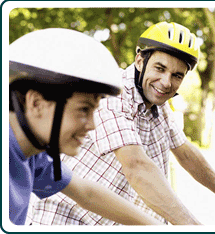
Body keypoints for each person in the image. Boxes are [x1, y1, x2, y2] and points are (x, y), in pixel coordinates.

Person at [27, 22, 215, 226]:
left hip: (110, 219)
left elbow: (186, 153)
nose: (166, 82)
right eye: (160, 68)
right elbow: (136, 167)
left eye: (177, 75)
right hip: (66, 220)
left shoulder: (158, 104)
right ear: (140, 60)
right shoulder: (112, 95)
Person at [9, 27, 164, 226]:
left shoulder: (32, 154)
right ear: (36, 103)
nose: (92, 125)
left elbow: (86, 193)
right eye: (84, 109)